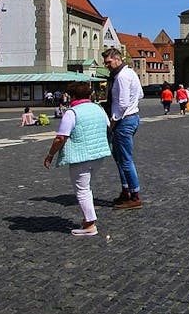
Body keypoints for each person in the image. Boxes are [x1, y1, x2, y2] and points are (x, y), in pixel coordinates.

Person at [43, 81, 111, 236]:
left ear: (72, 96)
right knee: (87, 187)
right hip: (98, 154)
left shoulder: (72, 112)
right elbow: (108, 126)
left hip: (81, 156)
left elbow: (61, 137)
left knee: (82, 190)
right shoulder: (98, 108)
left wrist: (50, 155)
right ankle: (88, 220)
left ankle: (90, 224)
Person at [102, 47, 144, 209]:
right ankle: (126, 190)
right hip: (131, 118)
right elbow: (140, 94)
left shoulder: (121, 77)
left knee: (125, 160)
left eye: (109, 62)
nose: (107, 66)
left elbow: (123, 104)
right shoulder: (130, 73)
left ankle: (135, 196)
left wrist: (113, 121)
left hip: (123, 121)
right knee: (120, 158)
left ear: (117, 59)